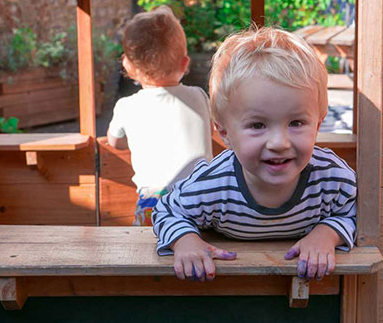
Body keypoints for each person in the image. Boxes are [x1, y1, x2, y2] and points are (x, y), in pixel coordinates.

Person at [152, 26, 357, 282]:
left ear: (317, 125)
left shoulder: (332, 178)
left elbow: (354, 210)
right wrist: (185, 241)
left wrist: (327, 233)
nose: (279, 143)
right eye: (258, 126)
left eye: (296, 123)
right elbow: (166, 211)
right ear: (225, 133)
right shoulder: (211, 185)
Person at [107, 5, 213, 226]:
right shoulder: (199, 97)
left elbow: (114, 142)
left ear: (129, 67)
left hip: (155, 203)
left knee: (149, 248)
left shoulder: (127, 106)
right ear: (185, 63)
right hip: (202, 201)